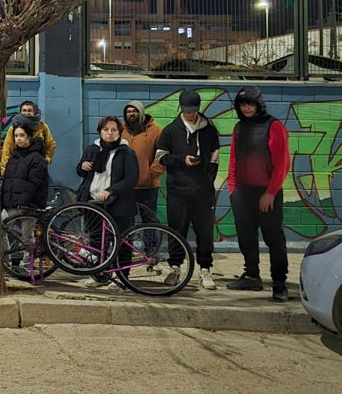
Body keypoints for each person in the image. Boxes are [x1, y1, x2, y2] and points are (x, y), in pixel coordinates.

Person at [225, 86, 291, 301]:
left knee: (274, 239)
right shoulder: (238, 128)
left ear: (258, 104)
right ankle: (252, 276)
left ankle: (279, 284)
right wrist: (233, 189)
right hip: (243, 194)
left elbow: (282, 163)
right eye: (242, 104)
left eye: (250, 104)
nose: (246, 108)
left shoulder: (274, 126)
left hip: (267, 195)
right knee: (246, 238)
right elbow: (233, 160)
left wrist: (270, 193)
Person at [155, 89, 221, 290]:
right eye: (186, 110)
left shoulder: (209, 130)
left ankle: (205, 269)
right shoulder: (170, 130)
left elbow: (215, 159)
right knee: (176, 230)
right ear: (181, 108)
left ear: (198, 109)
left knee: (205, 231)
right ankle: (175, 268)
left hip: (202, 192)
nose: (189, 114)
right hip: (177, 190)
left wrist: (207, 182)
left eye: (193, 110)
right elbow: (160, 156)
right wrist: (181, 160)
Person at [76, 115, 138, 288]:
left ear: (119, 133)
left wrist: (111, 190)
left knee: (121, 241)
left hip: (118, 203)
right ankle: (99, 275)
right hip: (94, 203)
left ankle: (122, 278)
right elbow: (81, 171)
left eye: (113, 130)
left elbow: (131, 178)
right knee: (96, 241)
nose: (109, 133)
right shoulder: (92, 149)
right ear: (100, 131)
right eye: (106, 130)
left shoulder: (126, 152)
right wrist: (82, 167)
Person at [121, 100, 164, 225]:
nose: (131, 114)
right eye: (128, 112)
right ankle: (127, 245)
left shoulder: (156, 131)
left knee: (149, 222)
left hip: (148, 187)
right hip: (126, 187)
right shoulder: (120, 131)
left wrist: (152, 173)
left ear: (141, 113)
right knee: (127, 221)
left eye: (134, 111)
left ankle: (150, 245)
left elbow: (163, 153)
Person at [0, 117, 49, 215]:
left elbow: (35, 184)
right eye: (16, 136)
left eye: (22, 135)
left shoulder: (37, 158)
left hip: (28, 207)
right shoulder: (13, 157)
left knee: (26, 230)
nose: (18, 138)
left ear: (29, 137)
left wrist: (22, 203)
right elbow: (8, 181)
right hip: (10, 205)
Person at [0, 101, 56, 174]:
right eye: (24, 110)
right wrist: (4, 169)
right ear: (20, 112)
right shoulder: (13, 128)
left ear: (34, 112)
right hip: (18, 166)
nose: (27, 113)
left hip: (37, 166)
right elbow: (8, 148)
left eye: (30, 110)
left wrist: (46, 160)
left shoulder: (42, 127)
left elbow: (51, 145)